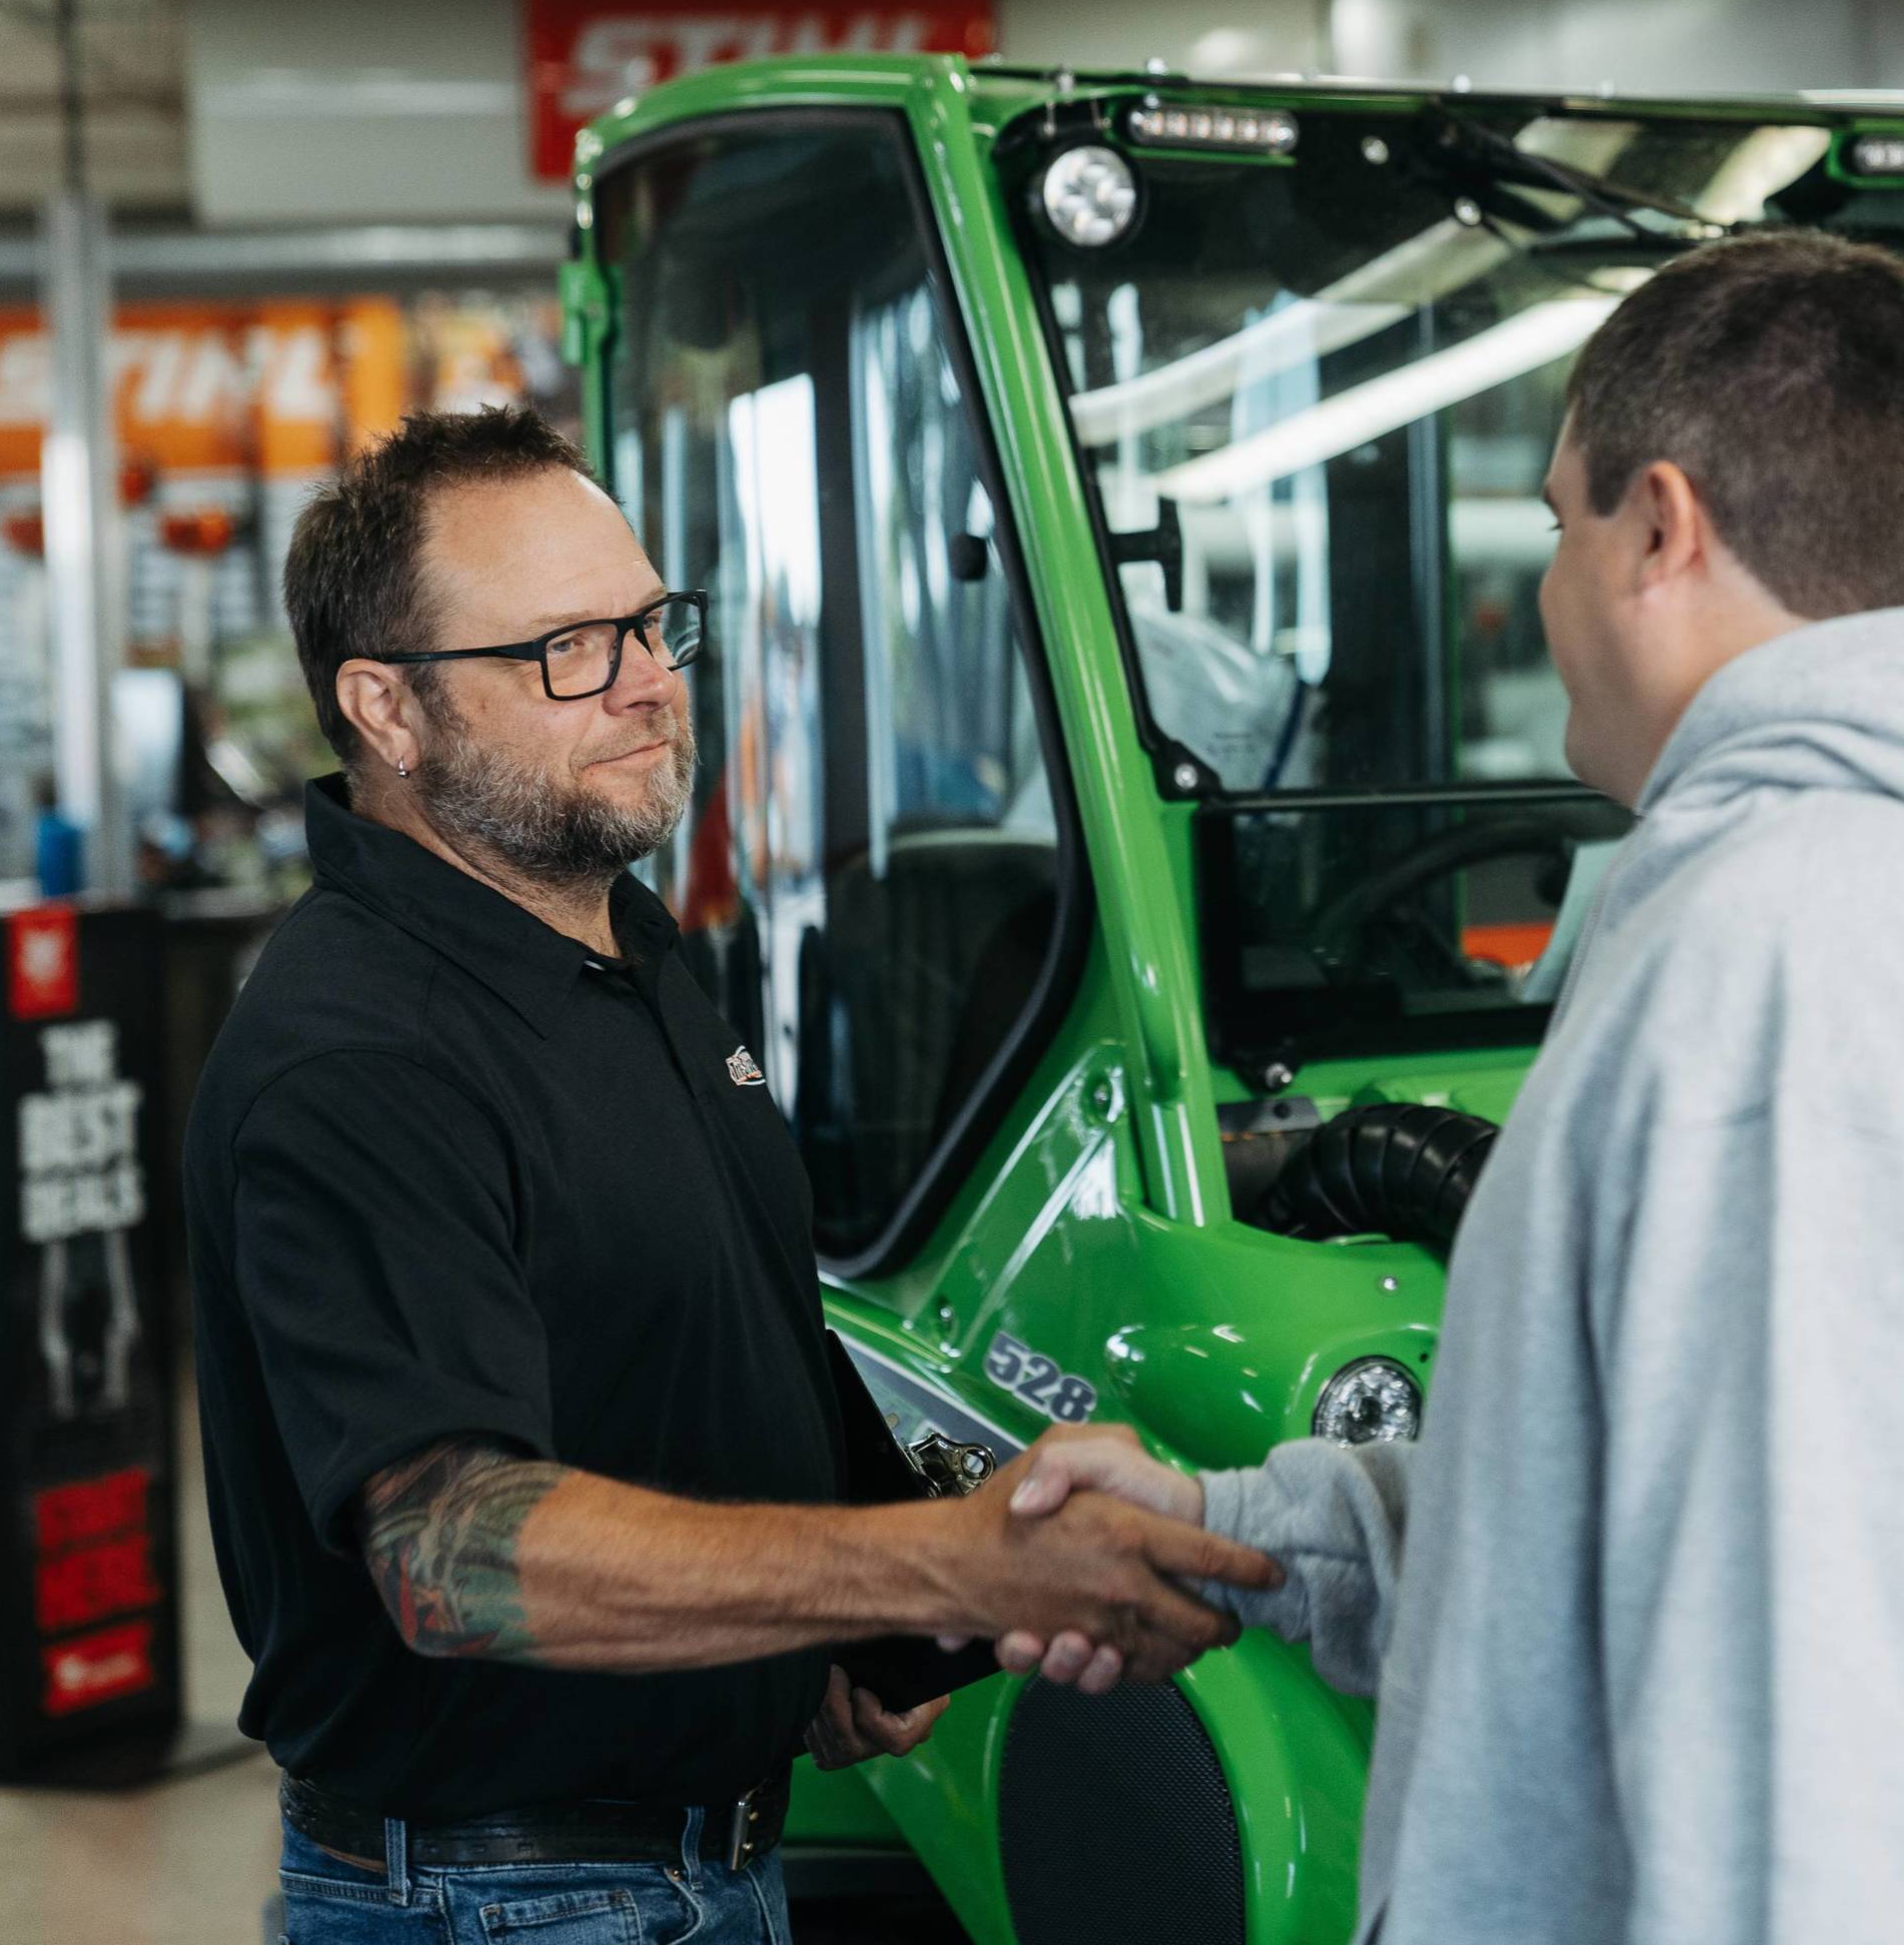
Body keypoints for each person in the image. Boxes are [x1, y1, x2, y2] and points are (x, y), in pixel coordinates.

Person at [1002, 229, 1904, 1940]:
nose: (1546, 585)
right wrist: (1236, 1534)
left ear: (1662, 526)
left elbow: (1825, 1723)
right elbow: (1626, 1511)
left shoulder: (1806, 956)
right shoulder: (1854, 902)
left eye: (1556, 525)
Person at [184, 407, 1278, 1944]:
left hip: (693, 1866)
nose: (647, 685)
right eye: (567, 647)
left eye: (650, 623)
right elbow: (453, 1557)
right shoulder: (361, 1055)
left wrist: (859, 1623)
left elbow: (696, 1326)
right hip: (507, 1900)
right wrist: (947, 1560)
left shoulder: (610, 946)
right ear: (387, 709)